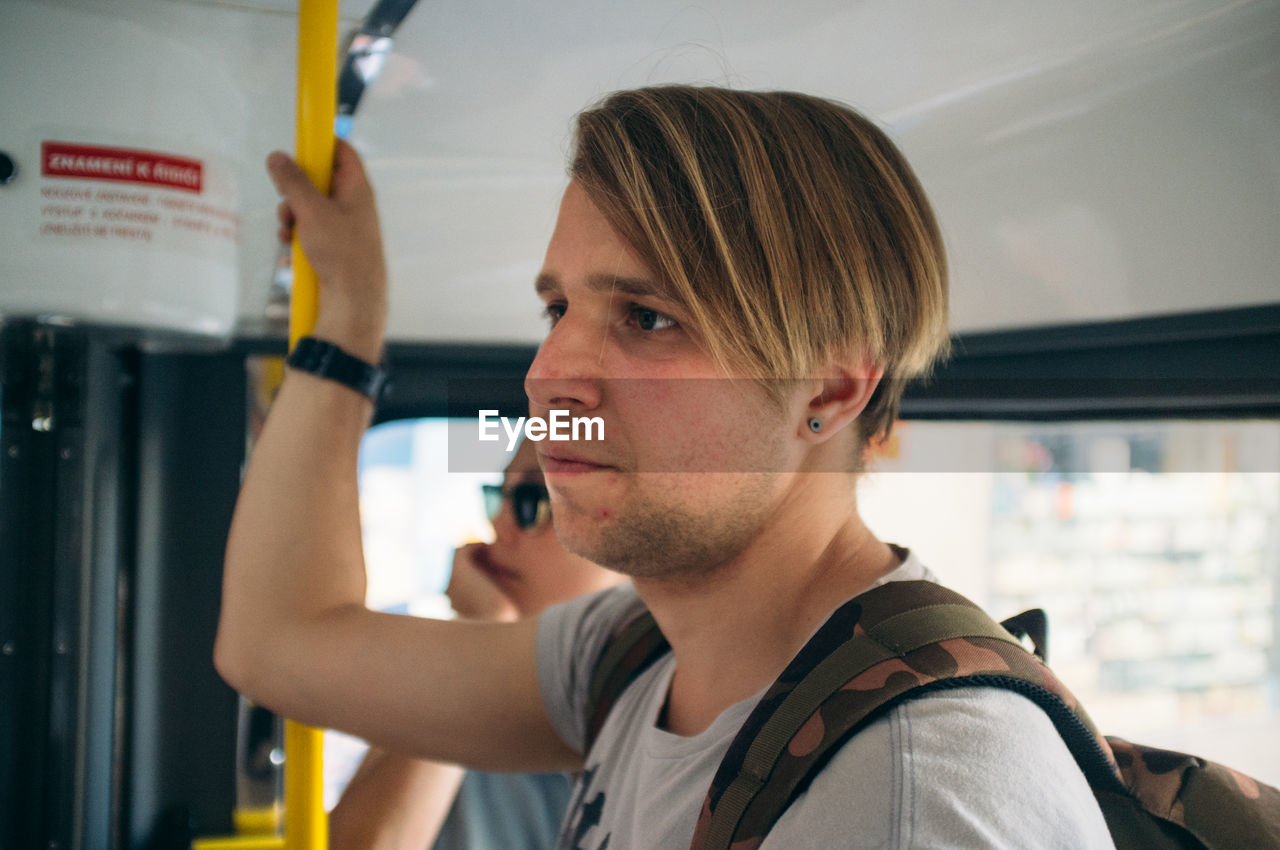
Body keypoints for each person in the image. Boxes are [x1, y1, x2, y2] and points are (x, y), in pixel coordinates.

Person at [216, 85, 1114, 847]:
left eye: (646, 317)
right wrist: (351, 317)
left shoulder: (909, 799)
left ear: (834, 389)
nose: (546, 376)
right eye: (557, 308)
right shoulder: (633, 654)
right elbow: (278, 644)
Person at [328, 439, 621, 849]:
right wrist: (484, 628)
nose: (498, 527)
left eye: (533, 500)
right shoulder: (444, 689)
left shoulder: (671, 710)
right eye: (496, 498)